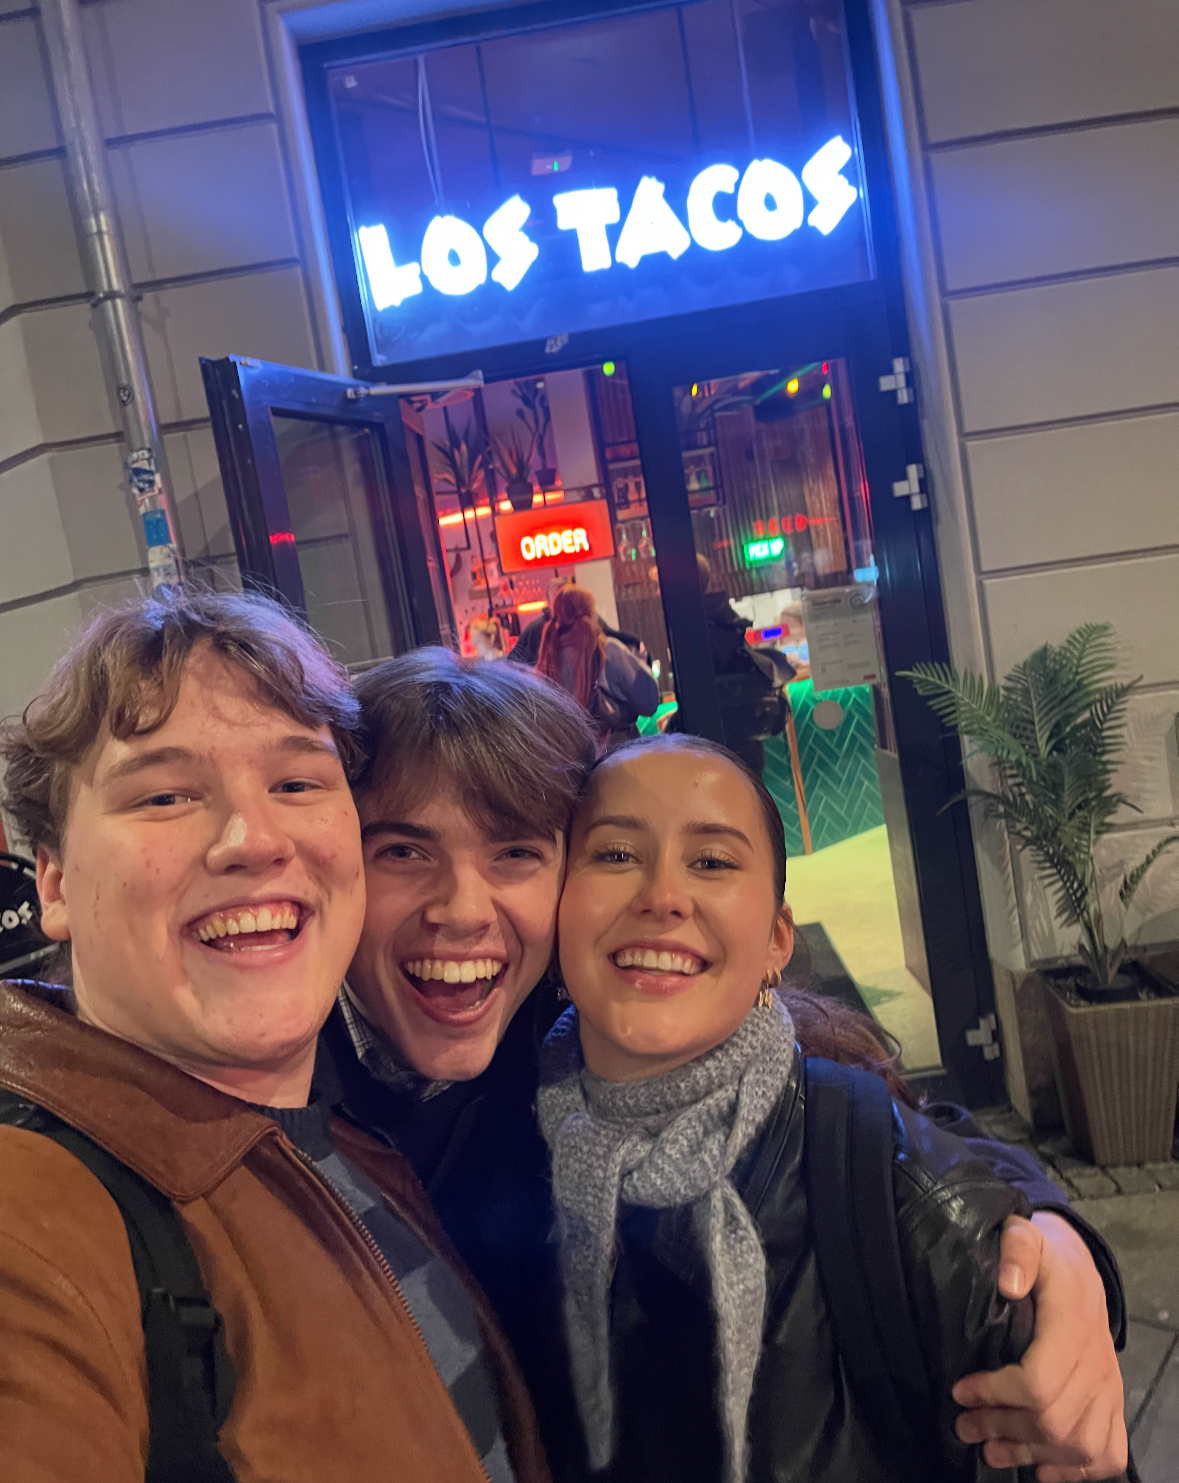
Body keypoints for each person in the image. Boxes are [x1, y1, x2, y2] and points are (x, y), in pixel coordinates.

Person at [322, 648, 1128, 1483]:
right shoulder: (285, 1111)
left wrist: (1054, 1249)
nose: (460, 908)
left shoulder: (843, 1162)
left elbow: (913, 1159)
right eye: (402, 852)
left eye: (516, 853)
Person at [0, 590, 547, 1483]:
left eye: (296, 782)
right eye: (166, 794)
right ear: (53, 884)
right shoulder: (32, 1215)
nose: (250, 839)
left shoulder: (339, 1140)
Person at [538, 734, 1130, 1483]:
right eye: (616, 854)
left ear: (776, 941)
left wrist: (1062, 1246)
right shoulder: (505, 1144)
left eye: (713, 861)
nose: (661, 895)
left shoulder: (898, 1200)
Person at [536, 584, 658, 743]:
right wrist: (639, 664)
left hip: (576, 761)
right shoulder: (609, 651)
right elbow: (649, 702)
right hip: (618, 754)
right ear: (591, 614)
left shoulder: (548, 659)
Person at [510, 575, 647, 668]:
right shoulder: (536, 629)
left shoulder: (588, 620)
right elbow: (514, 663)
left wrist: (634, 642)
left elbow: (610, 635)